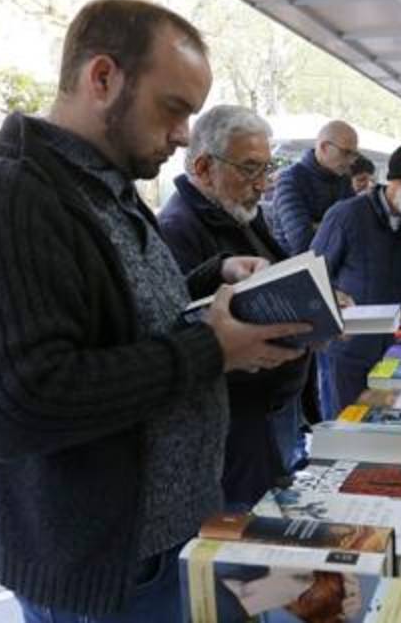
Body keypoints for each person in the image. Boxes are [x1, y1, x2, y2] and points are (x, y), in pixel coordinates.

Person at [0, 0, 311, 622]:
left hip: (170, 547)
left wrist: (214, 277)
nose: (182, 134)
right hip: (106, 576)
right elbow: (16, 403)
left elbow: (123, 322)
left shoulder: (106, 191)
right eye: (173, 108)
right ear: (103, 78)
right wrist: (211, 348)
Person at [157, 105, 314, 509]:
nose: (262, 184)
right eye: (249, 169)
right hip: (234, 426)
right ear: (204, 167)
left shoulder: (239, 213)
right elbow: (189, 332)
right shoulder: (179, 228)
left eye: (266, 169)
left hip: (268, 408)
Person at [311, 143, 401, 418]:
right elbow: (314, 277)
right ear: (398, 180)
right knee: (346, 428)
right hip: (348, 353)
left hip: (393, 351)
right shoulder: (346, 216)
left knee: (381, 431)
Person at [271, 120, 358, 256]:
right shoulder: (290, 179)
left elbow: (357, 228)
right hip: (292, 267)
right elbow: (302, 242)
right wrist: (338, 224)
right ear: (324, 147)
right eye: (346, 153)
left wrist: (317, 226)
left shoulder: (343, 180)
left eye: (354, 154)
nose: (352, 161)